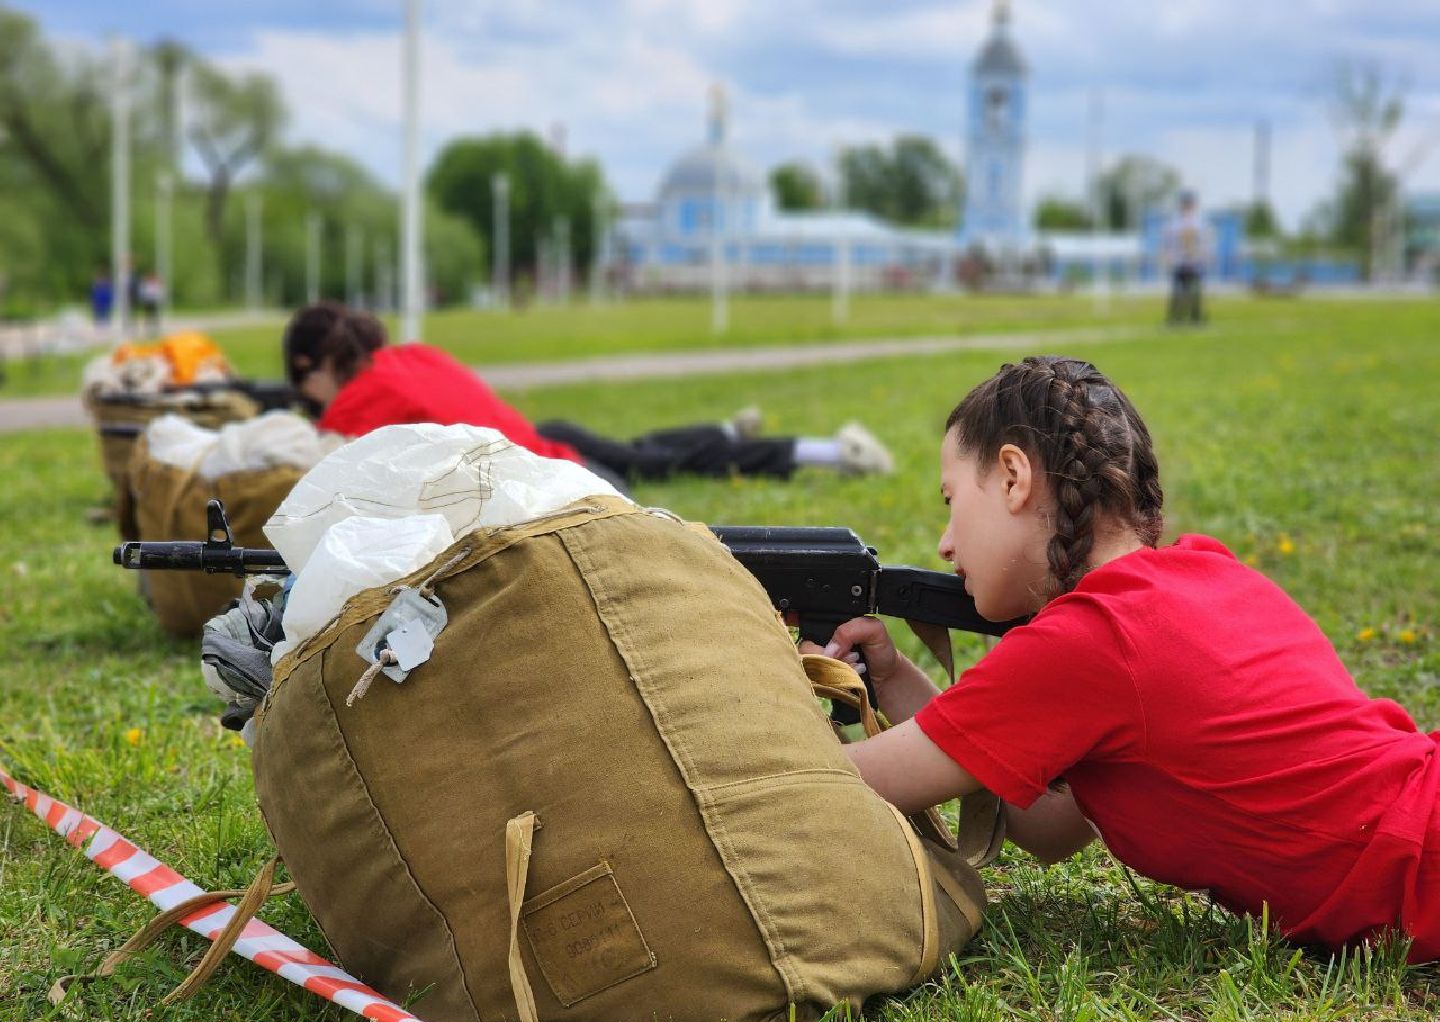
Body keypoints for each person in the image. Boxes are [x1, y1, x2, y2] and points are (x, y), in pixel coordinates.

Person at [806, 354, 1438, 962]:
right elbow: (1048, 828)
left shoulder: (1090, 639)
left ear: (1012, 477)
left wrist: (771, 678)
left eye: (951, 501)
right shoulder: (1195, 576)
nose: (945, 542)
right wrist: (887, 677)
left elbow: (827, 783)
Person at [281, 302, 894, 488]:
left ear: (316, 367)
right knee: (646, 450)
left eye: (302, 388)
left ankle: (822, 450)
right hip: (545, 437)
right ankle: (729, 434)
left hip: (558, 472)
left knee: (651, 461)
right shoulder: (408, 355)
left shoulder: (354, 405)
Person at [1161, 191, 1212, 326]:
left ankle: (1196, 316)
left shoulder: (1200, 223)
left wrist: (1205, 254)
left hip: (1195, 261)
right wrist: (1168, 255)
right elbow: (1167, 241)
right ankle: (1176, 317)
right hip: (1180, 261)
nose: (1187, 207)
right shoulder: (1174, 223)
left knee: (1195, 290)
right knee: (1178, 290)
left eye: (1189, 204)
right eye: (1185, 204)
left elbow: (1205, 241)